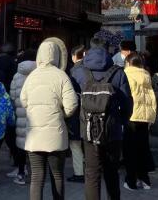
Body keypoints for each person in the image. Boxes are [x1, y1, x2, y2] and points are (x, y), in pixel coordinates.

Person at [71, 36, 132, 200]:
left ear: (88, 51)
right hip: (112, 130)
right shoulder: (118, 72)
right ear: (108, 51)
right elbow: (127, 103)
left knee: (91, 173)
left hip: (88, 129)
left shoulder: (79, 71)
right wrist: (122, 121)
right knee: (111, 172)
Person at [21, 38, 78, 200]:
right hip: (56, 134)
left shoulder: (31, 76)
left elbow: (23, 100)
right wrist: (62, 115)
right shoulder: (61, 76)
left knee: (37, 177)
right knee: (57, 175)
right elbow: (72, 104)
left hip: (34, 136)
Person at [122, 53, 157, 191]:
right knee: (143, 148)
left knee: (129, 150)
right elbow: (152, 97)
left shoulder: (127, 74)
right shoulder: (146, 75)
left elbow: (124, 95)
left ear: (129, 63)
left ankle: (131, 181)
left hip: (131, 116)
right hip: (145, 117)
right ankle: (145, 180)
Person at [9, 49, 36, 185]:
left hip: (20, 113)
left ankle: (21, 172)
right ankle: (36, 174)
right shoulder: (39, 73)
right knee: (34, 144)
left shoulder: (17, 75)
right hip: (36, 114)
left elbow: (13, 97)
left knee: (20, 144)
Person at [67, 45, 86, 183]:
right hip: (91, 110)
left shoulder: (73, 71)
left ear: (74, 56)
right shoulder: (90, 69)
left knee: (75, 144)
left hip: (76, 112)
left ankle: (79, 173)